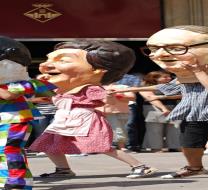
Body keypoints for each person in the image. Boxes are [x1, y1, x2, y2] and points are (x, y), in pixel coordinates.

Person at [112, 25, 208, 183]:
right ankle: (194, 168)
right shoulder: (188, 75)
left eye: (177, 48)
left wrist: (198, 71)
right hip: (195, 111)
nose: (161, 54)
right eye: (153, 49)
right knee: (189, 143)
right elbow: (168, 87)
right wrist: (134, 88)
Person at [29, 40, 157, 179]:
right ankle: (63, 169)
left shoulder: (91, 88)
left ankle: (141, 166)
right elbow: (50, 98)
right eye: (48, 59)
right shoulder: (63, 88)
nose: (45, 65)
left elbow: (103, 98)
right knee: (48, 144)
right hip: (63, 118)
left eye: (63, 60)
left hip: (85, 118)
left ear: (96, 71)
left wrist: (111, 94)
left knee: (101, 146)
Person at [0, 36, 56, 190]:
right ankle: (9, 180)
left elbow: (7, 95)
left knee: (10, 149)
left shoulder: (24, 83)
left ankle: (17, 182)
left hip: (15, 120)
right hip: (5, 120)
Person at [140, 71, 181, 152]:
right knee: (155, 129)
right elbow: (150, 98)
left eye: (169, 76)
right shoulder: (146, 86)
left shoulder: (173, 86)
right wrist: (163, 108)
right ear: (155, 78)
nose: (169, 78)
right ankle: (156, 148)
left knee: (175, 128)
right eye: (165, 77)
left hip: (173, 107)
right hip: (153, 108)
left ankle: (176, 146)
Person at [98, 83, 136, 150]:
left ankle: (115, 146)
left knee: (121, 129)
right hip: (106, 112)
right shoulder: (99, 87)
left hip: (122, 111)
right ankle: (121, 147)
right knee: (117, 129)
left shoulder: (123, 86)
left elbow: (132, 98)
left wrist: (118, 95)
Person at [116, 73, 145, 152]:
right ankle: (116, 145)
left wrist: (118, 92)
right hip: (111, 105)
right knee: (114, 125)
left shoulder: (133, 77)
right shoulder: (108, 76)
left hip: (129, 103)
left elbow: (134, 90)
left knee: (129, 125)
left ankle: (132, 145)